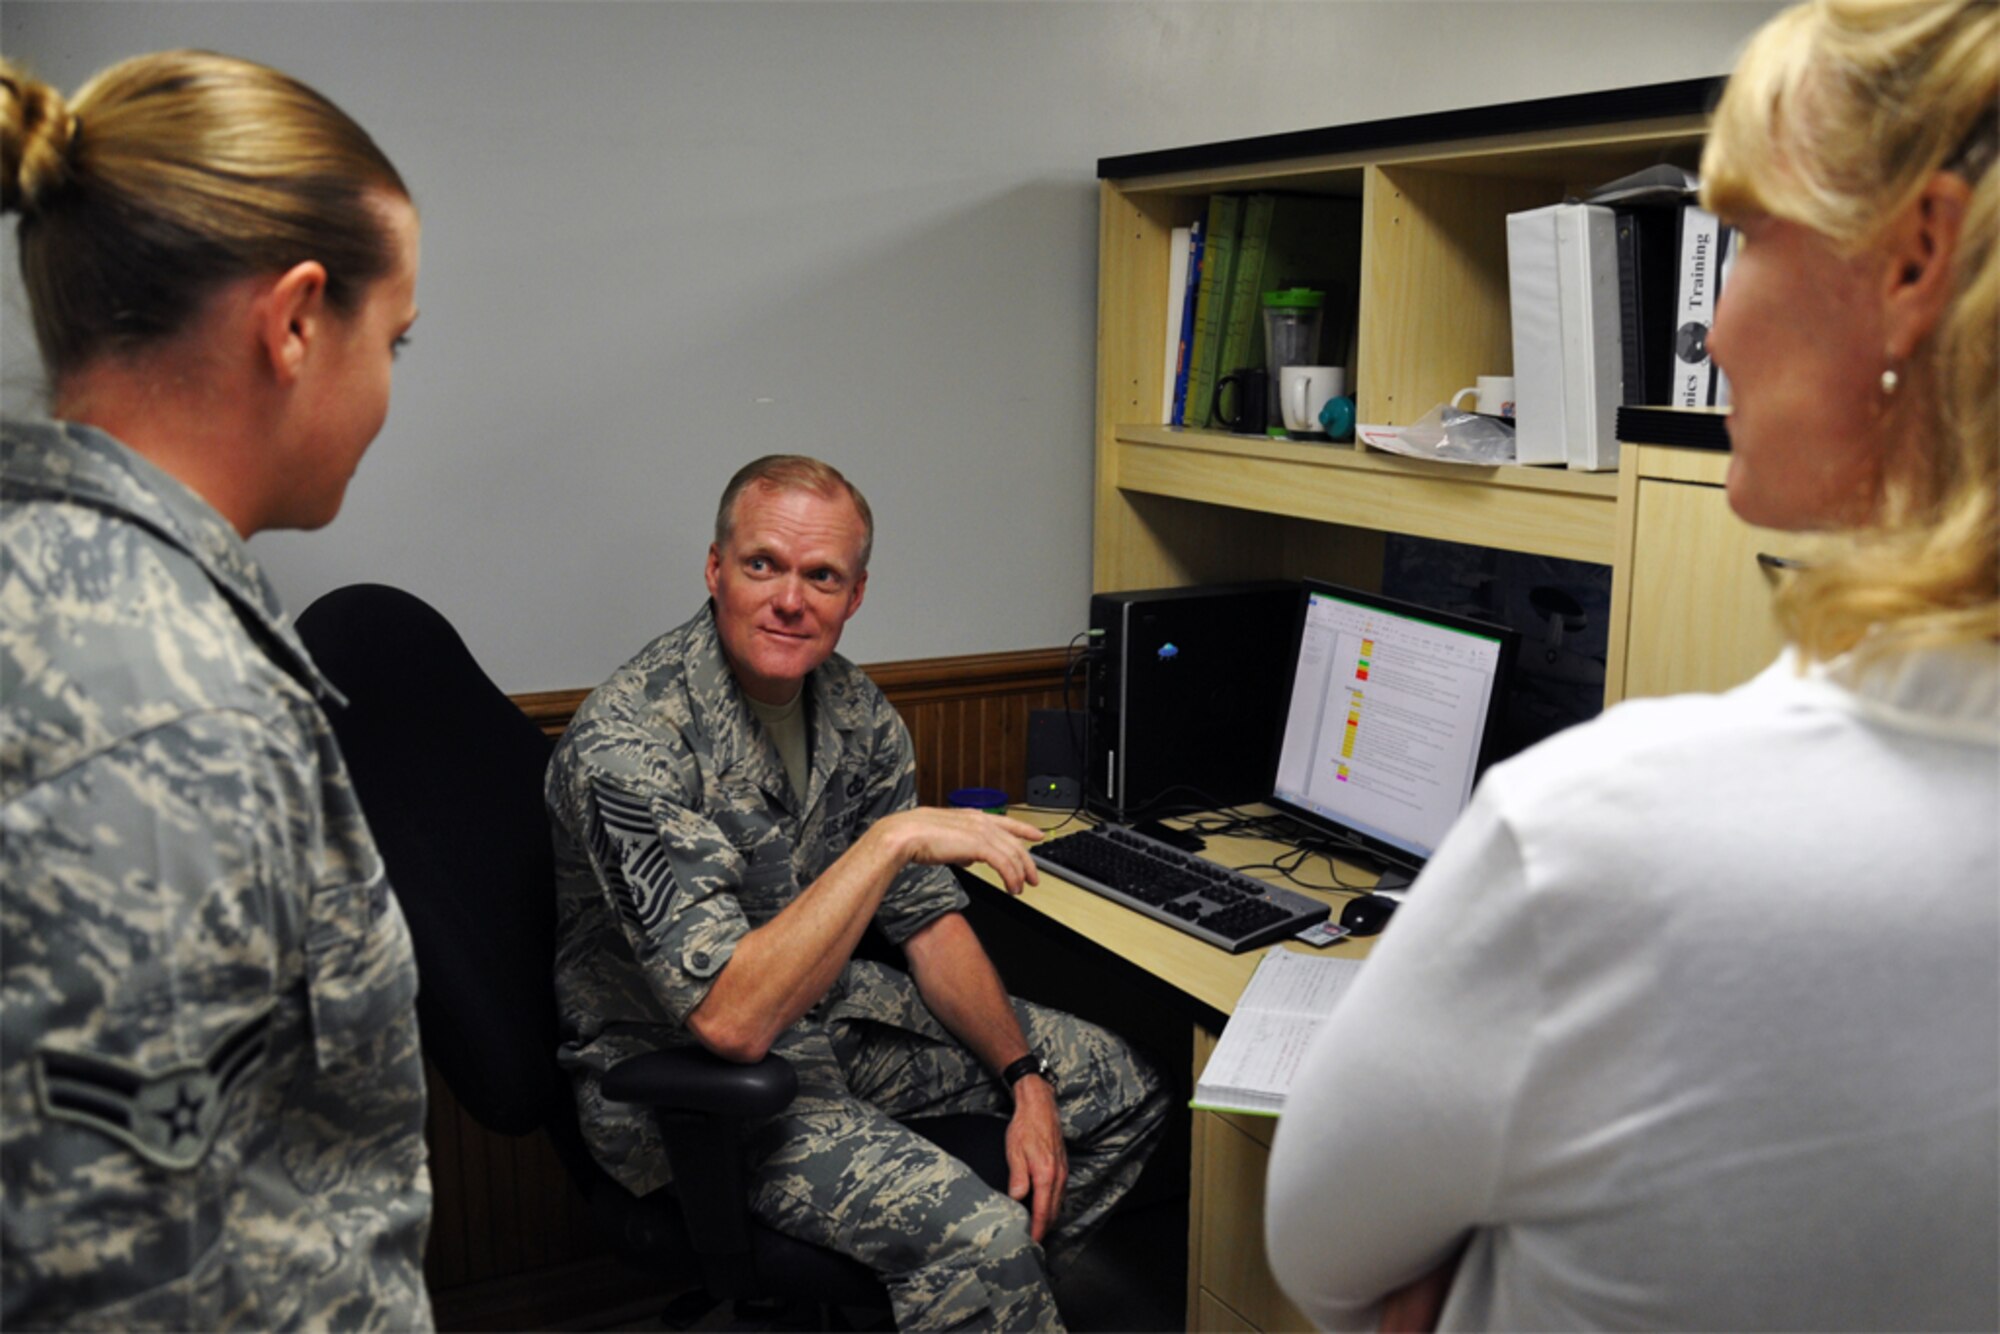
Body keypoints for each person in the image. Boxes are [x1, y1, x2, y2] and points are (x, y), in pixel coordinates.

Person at [1265, 2, 1997, 1329]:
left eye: (1743, 238)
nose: (1709, 338)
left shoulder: (1599, 838)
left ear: (1914, 261)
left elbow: (1323, 1259)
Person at [0, 52, 432, 1329]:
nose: (390, 386)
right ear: (295, 322)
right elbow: (116, 1285)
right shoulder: (168, 708)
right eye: (394, 338)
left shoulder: (59, 586)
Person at [547, 455, 1169, 1331]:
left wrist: (1025, 1078)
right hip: (696, 1090)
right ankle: (983, 1289)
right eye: (762, 564)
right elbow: (730, 1020)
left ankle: (971, 1307)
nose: (789, 599)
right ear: (716, 569)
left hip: (830, 1023)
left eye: (822, 576)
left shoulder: (854, 709)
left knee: (1120, 1090)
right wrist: (888, 841)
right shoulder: (630, 742)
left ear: (856, 595)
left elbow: (927, 922)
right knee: (982, 1241)